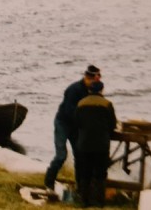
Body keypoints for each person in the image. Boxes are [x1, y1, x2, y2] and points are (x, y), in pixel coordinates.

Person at [44, 65, 102, 194]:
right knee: (61, 155)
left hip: (77, 126)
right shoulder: (73, 89)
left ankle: (80, 187)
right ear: (87, 78)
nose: (96, 83)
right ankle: (49, 182)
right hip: (63, 123)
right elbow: (70, 111)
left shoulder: (92, 91)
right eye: (95, 80)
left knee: (80, 156)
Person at [74, 80, 116, 207]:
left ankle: (84, 201)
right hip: (101, 145)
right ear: (101, 90)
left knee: (85, 173)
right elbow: (112, 125)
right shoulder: (107, 104)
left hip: (84, 144)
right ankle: (99, 202)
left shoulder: (80, 103)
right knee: (100, 174)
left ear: (89, 90)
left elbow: (77, 123)